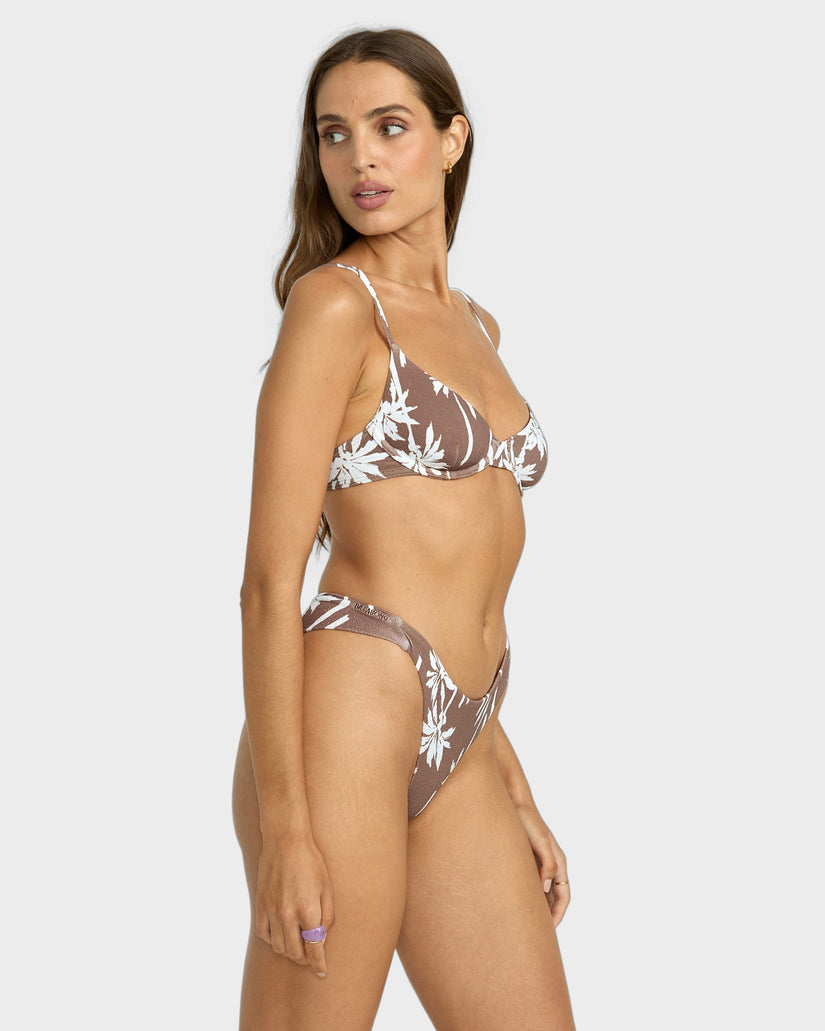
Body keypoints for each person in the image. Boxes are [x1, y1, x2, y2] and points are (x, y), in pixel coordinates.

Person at [232, 27, 577, 1031]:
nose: (360, 160)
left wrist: (511, 780)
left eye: (390, 127)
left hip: (464, 725)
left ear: (452, 139)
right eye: (333, 134)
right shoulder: (334, 306)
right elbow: (268, 580)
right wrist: (287, 826)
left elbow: (459, 578)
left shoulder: (477, 325)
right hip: (347, 713)